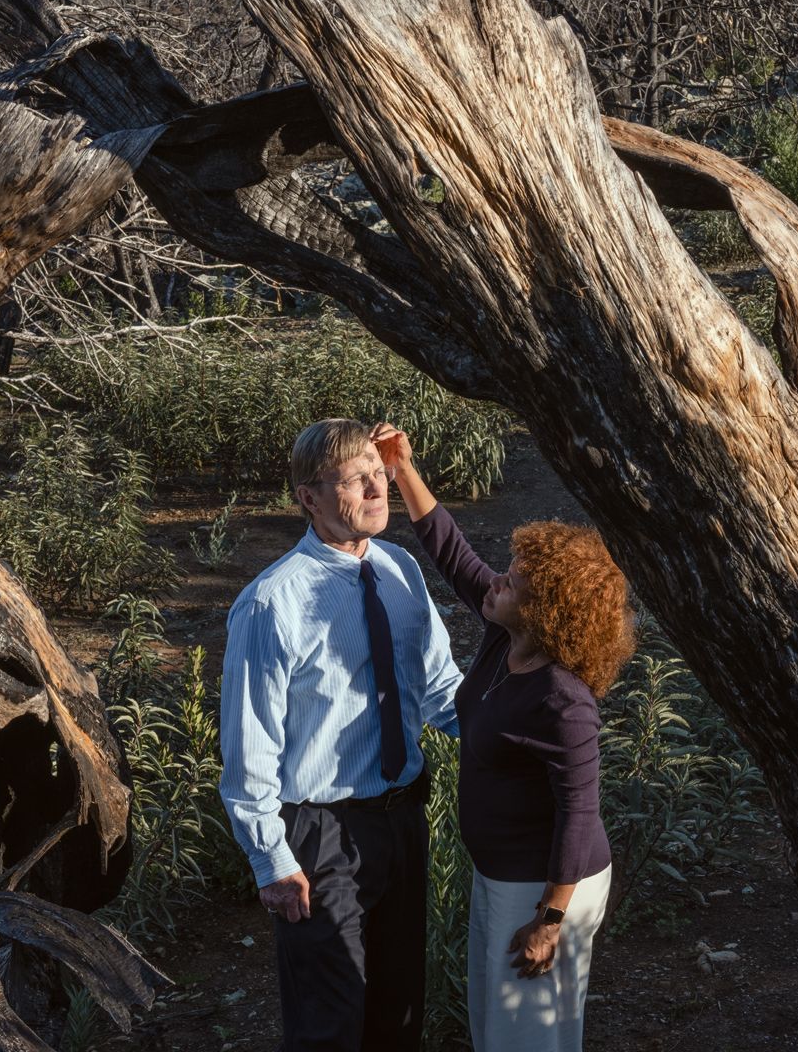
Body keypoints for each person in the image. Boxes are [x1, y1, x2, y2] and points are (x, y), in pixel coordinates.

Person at [373, 421, 637, 1052]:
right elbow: (453, 553)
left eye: (513, 580)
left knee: (529, 1036)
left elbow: (579, 815)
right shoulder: (506, 637)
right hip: (502, 875)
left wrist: (550, 921)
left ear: (546, 611)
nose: (497, 579)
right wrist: (401, 468)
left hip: (545, 887)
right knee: (498, 1027)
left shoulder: (563, 701)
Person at [217, 418, 463, 1052]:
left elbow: (439, 690)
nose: (376, 490)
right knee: (330, 1019)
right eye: (354, 481)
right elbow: (250, 750)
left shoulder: (400, 569)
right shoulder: (273, 603)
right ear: (309, 498)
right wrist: (272, 858)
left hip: (404, 820)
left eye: (377, 475)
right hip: (320, 836)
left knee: (399, 1006)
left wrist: (522, 733)